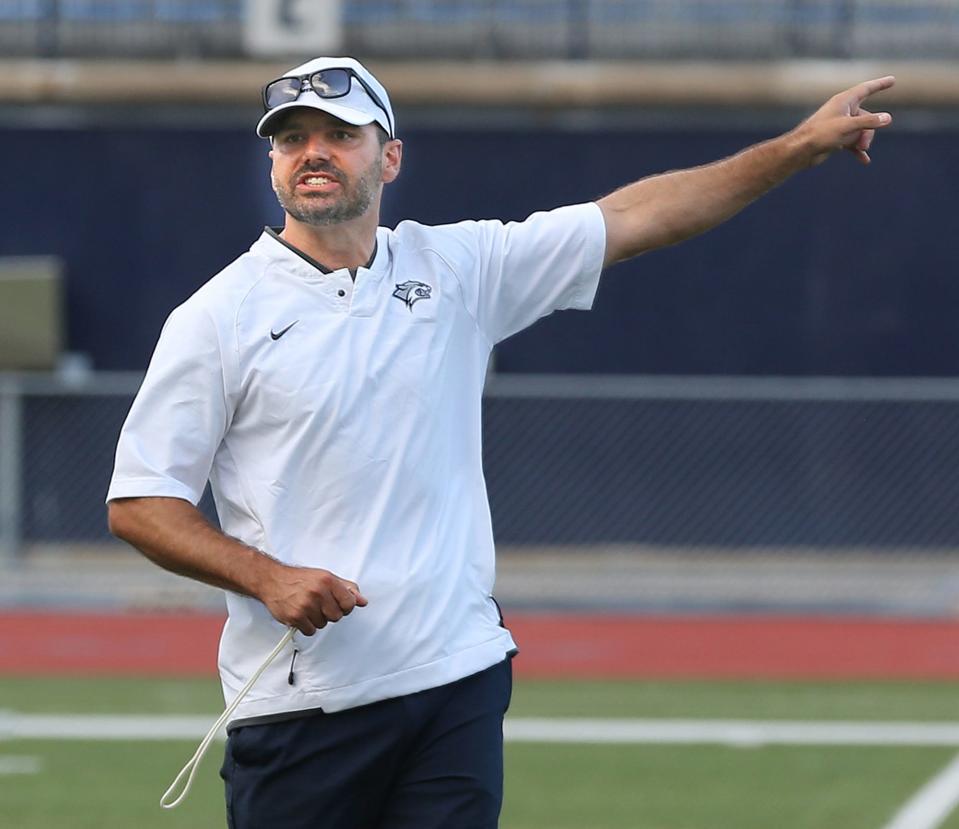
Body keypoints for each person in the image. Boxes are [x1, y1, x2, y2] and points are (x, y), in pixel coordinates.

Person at [106, 55, 894, 828]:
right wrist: (265, 576)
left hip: (456, 678)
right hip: (305, 703)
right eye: (291, 138)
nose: (312, 152)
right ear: (274, 162)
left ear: (390, 157)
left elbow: (635, 217)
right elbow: (141, 501)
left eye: (339, 134)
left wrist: (797, 146)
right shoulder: (217, 316)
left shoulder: (456, 267)